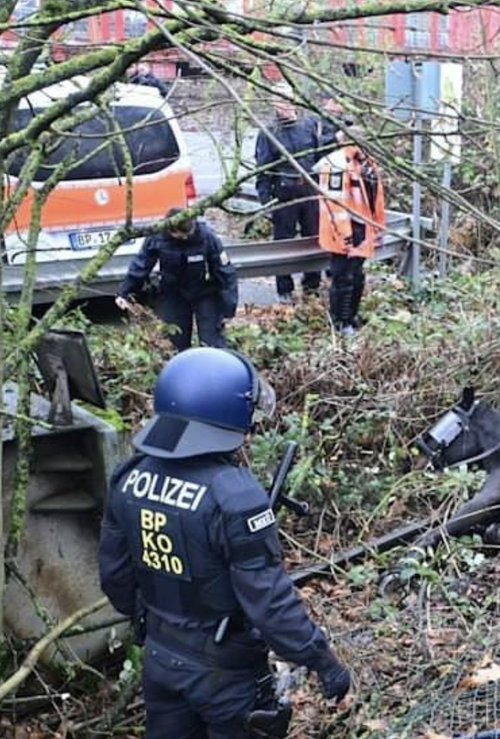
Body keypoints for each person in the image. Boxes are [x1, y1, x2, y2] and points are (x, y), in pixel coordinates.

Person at [98, 347, 352, 737]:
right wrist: (322, 660)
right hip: (225, 675)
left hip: (161, 658)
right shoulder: (234, 495)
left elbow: (115, 577)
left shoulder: (129, 476)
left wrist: (159, 624)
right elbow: (269, 602)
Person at [116, 208, 238, 352]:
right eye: (181, 236)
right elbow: (141, 265)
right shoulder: (158, 236)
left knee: (211, 342)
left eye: (188, 235)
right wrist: (124, 292)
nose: (185, 238)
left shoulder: (207, 237)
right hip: (174, 293)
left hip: (205, 291)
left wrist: (229, 307)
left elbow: (225, 272)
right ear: (170, 230)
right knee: (177, 342)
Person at [255, 86, 323, 303]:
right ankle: (284, 289)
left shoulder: (308, 126)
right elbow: (263, 169)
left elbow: (319, 157)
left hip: (309, 190)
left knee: (313, 237)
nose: (282, 105)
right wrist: (266, 201)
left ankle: (312, 284)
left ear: (293, 101)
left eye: (285, 100)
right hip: (283, 192)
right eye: (278, 101)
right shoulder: (269, 132)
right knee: (283, 241)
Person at [315, 127, 385, 336]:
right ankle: (340, 321)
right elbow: (334, 205)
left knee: (356, 276)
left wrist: (377, 228)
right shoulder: (336, 164)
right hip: (344, 229)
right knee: (343, 278)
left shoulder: (365, 162)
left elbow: (374, 199)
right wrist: (345, 235)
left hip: (361, 227)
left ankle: (351, 316)